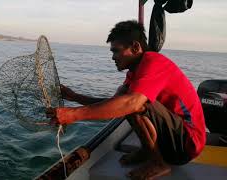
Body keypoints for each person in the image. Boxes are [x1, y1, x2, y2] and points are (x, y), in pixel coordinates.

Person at [47, 20, 206, 179]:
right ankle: (148, 151)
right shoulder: (134, 72)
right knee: (124, 97)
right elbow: (114, 104)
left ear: (136, 47)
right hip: (172, 142)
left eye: (116, 51)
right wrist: (74, 97)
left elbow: (132, 103)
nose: (113, 57)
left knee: (133, 101)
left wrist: (74, 115)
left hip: (188, 144)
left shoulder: (154, 62)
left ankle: (158, 163)